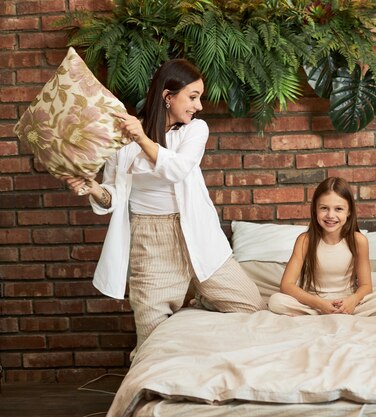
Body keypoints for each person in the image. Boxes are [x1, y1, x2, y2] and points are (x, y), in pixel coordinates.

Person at [63, 59, 264, 355]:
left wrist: (141, 138)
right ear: (168, 97)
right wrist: (92, 187)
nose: (199, 106)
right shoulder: (123, 141)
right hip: (151, 239)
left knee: (250, 306)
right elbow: (114, 196)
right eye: (192, 97)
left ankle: (195, 309)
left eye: (199, 97)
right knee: (151, 341)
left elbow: (178, 169)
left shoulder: (194, 131)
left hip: (197, 234)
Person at [269, 177, 376, 316]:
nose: (330, 215)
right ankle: (328, 313)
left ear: (349, 212)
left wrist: (352, 301)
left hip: (346, 301)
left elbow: (366, 286)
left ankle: (340, 312)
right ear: (315, 210)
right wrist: (318, 303)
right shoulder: (305, 240)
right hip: (314, 303)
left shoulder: (359, 241)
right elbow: (287, 285)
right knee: (276, 301)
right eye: (324, 208)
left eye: (338, 209)